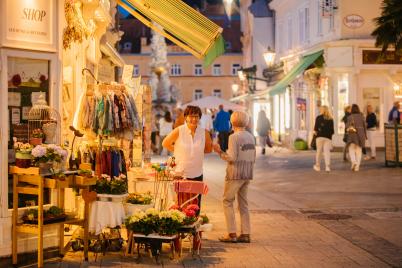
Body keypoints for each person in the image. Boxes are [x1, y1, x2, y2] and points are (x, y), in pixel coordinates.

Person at [213, 111, 256, 243]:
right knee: (243, 204)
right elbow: (253, 156)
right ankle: (246, 233)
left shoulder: (234, 137)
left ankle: (232, 233)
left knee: (227, 201)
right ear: (246, 122)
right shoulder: (250, 136)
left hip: (235, 174)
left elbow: (231, 157)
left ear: (232, 122)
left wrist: (219, 151)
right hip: (247, 173)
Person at [162, 105, 213, 209]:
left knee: (195, 205)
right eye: (191, 116)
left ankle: (194, 223)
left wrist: (194, 151)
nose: (194, 119)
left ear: (199, 118)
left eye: (196, 116)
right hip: (181, 173)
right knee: (180, 203)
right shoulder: (179, 130)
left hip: (197, 173)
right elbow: (165, 143)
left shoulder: (204, 133)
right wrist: (178, 151)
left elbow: (208, 149)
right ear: (185, 117)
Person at [313, 106, 334, 172]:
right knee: (327, 152)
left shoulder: (318, 118)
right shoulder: (331, 119)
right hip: (328, 138)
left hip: (319, 137)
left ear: (322, 110)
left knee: (319, 152)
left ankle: (318, 166)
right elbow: (332, 131)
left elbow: (315, 129)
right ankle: (327, 167)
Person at [346, 104, 367, 172]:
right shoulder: (362, 116)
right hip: (361, 135)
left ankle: (353, 161)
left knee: (351, 149)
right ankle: (357, 167)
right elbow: (365, 126)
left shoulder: (349, 117)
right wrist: (365, 136)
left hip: (352, 135)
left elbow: (347, 127)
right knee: (359, 151)